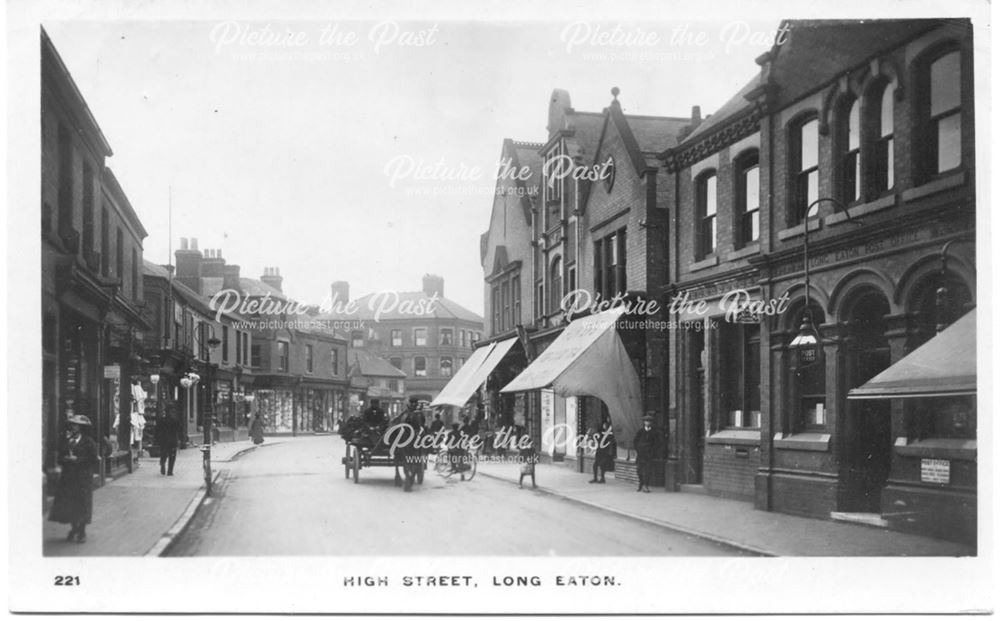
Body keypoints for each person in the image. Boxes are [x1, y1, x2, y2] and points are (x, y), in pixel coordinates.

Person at [48, 415, 99, 543]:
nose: (73, 427)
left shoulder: (89, 442)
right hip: (68, 478)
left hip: (82, 479)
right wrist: (64, 459)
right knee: (69, 505)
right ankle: (74, 528)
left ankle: (82, 532)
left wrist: (78, 460)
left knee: (82, 505)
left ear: (82, 428)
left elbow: (93, 460)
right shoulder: (68, 440)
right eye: (72, 425)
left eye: (75, 425)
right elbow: (60, 456)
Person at [155, 405, 182, 476]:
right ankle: (170, 471)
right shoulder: (175, 420)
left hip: (164, 440)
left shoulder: (162, 419)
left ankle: (163, 463)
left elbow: (157, 430)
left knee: (164, 453)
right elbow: (179, 429)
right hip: (172, 440)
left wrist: (157, 439)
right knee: (172, 455)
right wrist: (179, 439)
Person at [633, 415, 657, 493]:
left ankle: (646, 486)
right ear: (644, 422)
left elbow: (657, 443)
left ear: (651, 423)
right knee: (639, 470)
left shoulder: (654, 432)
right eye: (646, 421)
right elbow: (635, 441)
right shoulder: (640, 431)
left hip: (648, 455)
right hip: (640, 455)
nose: (648, 423)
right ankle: (641, 483)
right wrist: (638, 449)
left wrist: (652, 451)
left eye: (649, 421)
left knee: (647, 471)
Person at [589, 418, 616, 484]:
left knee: (602, 465)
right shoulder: (601, 433)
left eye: (605, 425)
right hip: (599, 451)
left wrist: (609, 452)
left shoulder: (608, 434)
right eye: (603, 425)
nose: (604, 426)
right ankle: (595, 478)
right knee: (595, 465)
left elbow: (610, 442)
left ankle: (602, 478)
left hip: (604, 451)